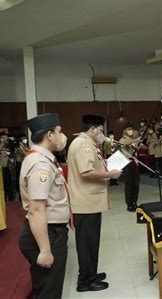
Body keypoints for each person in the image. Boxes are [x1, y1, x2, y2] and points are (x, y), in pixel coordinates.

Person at [67, 114, 122, 292]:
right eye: (99, 130)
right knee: (86, 243)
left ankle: (90, 273)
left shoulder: (88, 143)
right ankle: (85, 281)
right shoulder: (83, 144)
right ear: (92, 129)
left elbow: (92, 167)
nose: (101, 133)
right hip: (85, 202)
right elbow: (86, 172)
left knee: (91, 241)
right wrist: (110, 175)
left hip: (89, 200)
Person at [18, 113, 70, 298]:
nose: (62, 136)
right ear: (50, 135)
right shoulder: (40, 163)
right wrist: (45, 249)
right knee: (50, 291)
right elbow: (36, 209)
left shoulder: (43, 159)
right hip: (48, 233)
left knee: (45, 288)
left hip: (49, 231)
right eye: (59, 131)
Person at [120, 122, 144, 212]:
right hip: (127, 163)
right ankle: (129, 204)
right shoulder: (122, 139)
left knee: (136, 184)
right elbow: (126, 144)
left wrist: (140, 143)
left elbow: (139, 148)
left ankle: (134, 202)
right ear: (125, 130)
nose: (130, 131)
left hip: (135, 162)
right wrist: (136, 140)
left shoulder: (133, 139)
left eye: (131, 129)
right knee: (129, 184)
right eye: (128, 129)